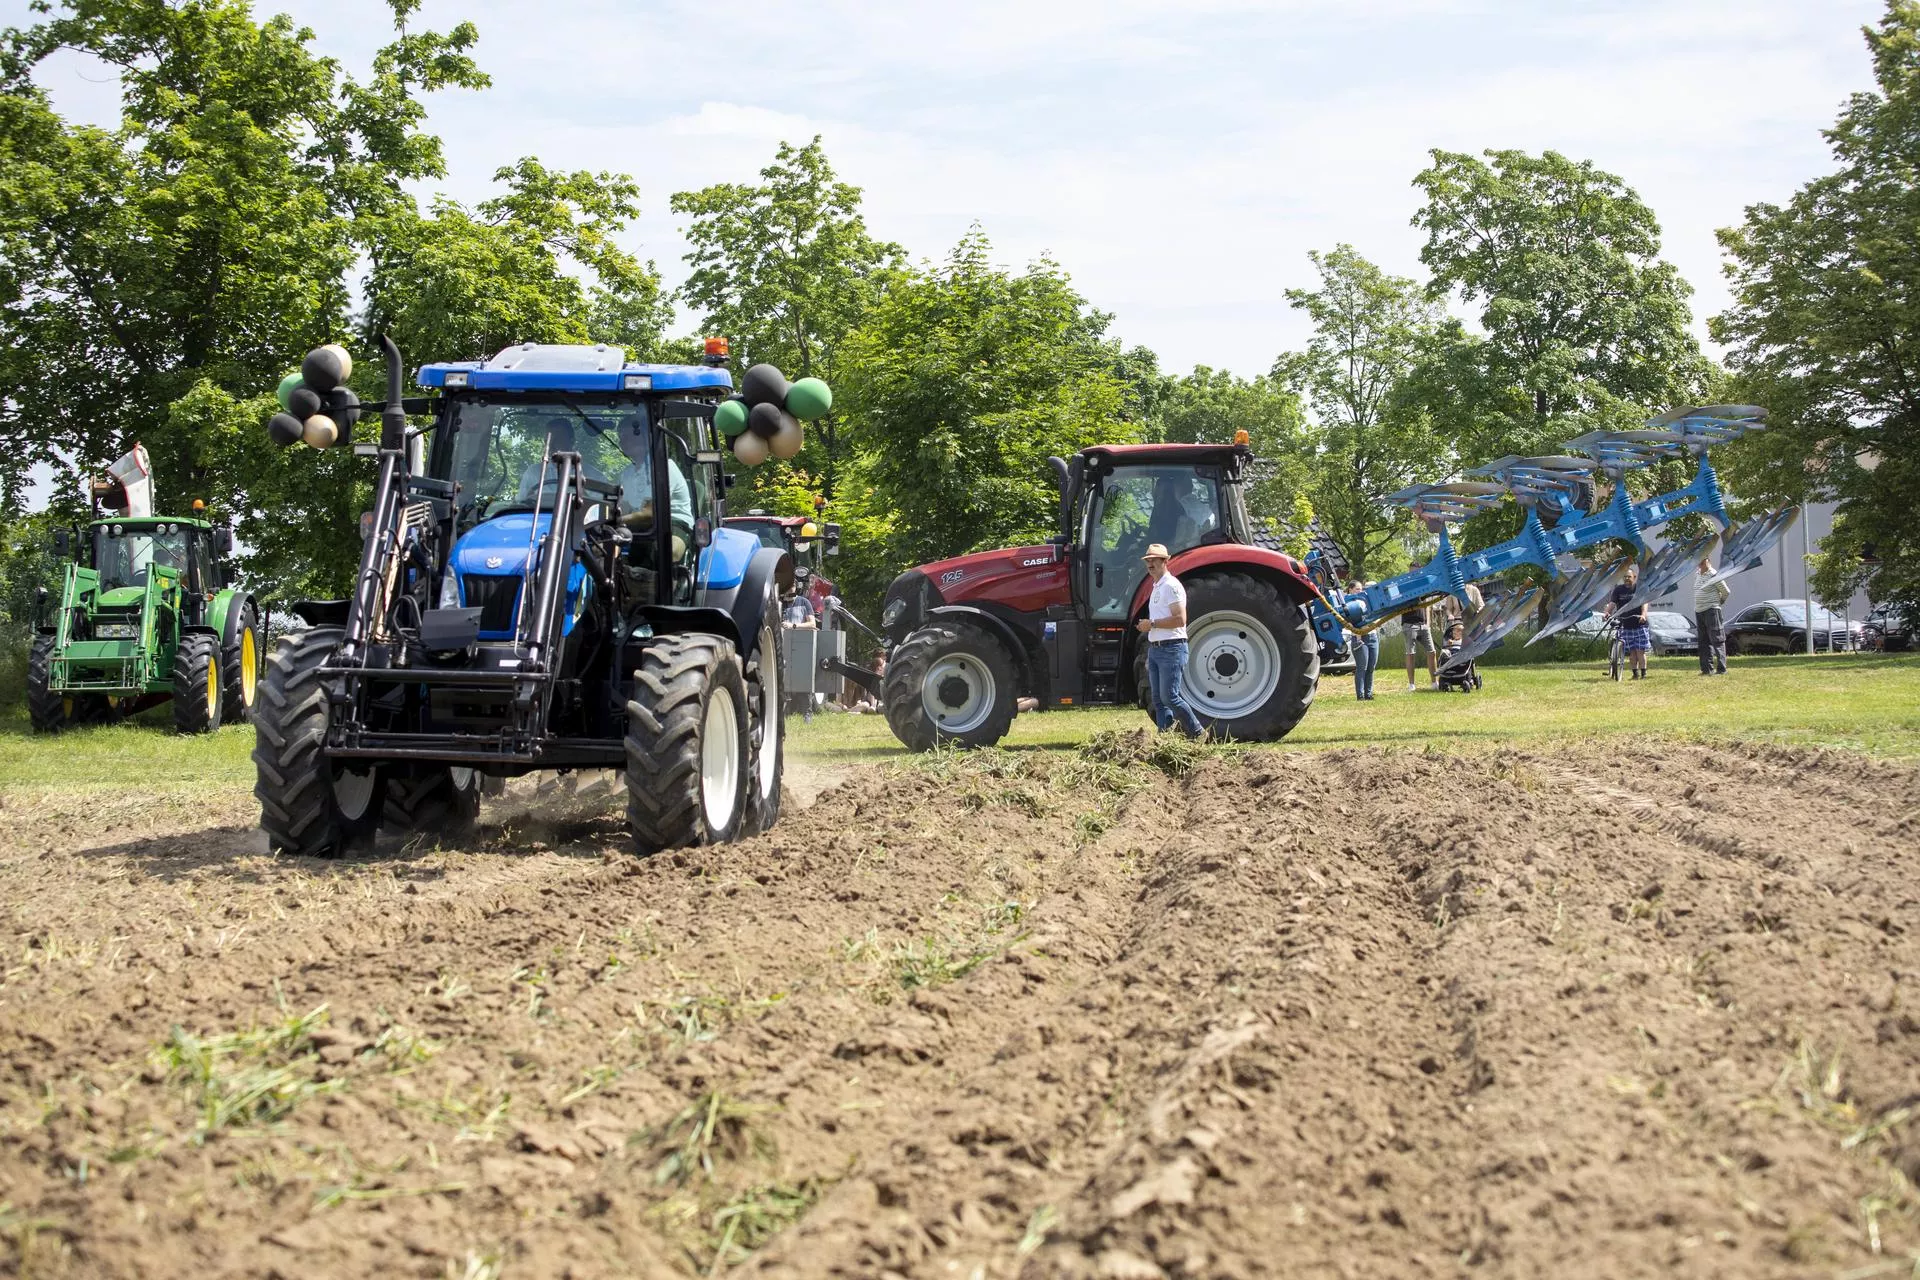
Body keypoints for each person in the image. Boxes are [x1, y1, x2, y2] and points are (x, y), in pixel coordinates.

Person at [1134, 543, 1205, 738]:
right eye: (1148, 561)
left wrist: (1152, 624)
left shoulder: (1171, 586)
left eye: (1154, 560)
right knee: (1158, 699)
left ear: (1166, 561)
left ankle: (1198, 732)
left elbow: (1180, 619)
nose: (1150, 564)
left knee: (1170, 697)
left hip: (1172, 648)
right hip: (1157, 649)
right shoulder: (1157, 586)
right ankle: (1165, 738)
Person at [1606, 562, 1653, 679]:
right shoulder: (1618, 590)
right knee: (1632, 652)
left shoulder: (1639, 588)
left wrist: (1643, 615)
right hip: (1625, 625)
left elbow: (1644, 603)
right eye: (1625, 577)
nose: (1627, 579)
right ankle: (1634, 674)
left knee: (1640, 651)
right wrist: (1607, 612)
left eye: (1629, 577)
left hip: (1639, 624)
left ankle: (1643, 673)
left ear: (1634, 577)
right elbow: (1612, 603)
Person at [1343, 579, 1378, 701]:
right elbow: (1348, 623)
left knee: (1371, 667)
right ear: (1351, 590)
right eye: (1357, 589)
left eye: (1361, 589)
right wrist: (1357, 635)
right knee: (1362, 667)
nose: (1360, 591)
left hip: (1372, 636)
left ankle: (1369, 693)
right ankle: (1361, 695)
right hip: (1359, 637)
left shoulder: (1365, 602)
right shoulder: (1347, 605)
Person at [1694, 558, 1729, 675]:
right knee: (1703, 641)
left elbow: (1726, 591)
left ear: (1708, 561)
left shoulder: (1714, 574)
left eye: (1703, 561)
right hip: (1699, 611)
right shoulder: (1698, 573)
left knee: (1717, 639)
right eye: (1699, 561)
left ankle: (1722, 669)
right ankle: (1707, 669)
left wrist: (1719, 602)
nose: (1700, 563)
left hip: (1712, 610)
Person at [1402, 598, 1438, 691]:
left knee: (1432, 652)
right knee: (1410, 654)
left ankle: (1434, 683)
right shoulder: (1405, 588)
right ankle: (1411, 685)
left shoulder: (1424, 589)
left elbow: (1427, 606)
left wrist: (1427, 624)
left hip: (1423, 625)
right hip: (1409, 624)